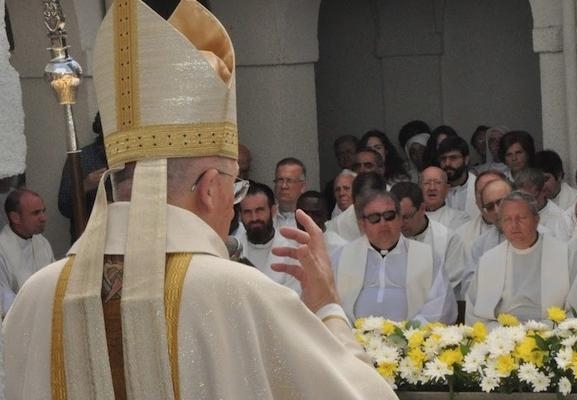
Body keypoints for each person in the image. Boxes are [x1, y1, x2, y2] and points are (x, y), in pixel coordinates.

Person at [3, 1, 397, 398]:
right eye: (235, 185)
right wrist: (328, 306)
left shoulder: (35, 299)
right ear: (210, 187)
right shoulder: (240, 295)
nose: (233, 203)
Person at [330, 189, 457, 324]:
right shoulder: (342, 257)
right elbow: (331, 304)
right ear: (362, 224)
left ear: (400, 219)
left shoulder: (427, 257)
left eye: (389, 215)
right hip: (353, 340)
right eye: (374, 218)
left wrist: (405, 335)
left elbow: (441, 306)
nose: (383, 223)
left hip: (411, 340)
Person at [465, 191, 577, 327]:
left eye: (521, 218)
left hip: (550, 336)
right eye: (507, 219)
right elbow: (474, 314)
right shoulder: (488, 261)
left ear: (536, 220)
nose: (514, 225)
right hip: (501, 339)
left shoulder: (566, 257)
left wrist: (542, 333)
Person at [391, 182, 469, 299]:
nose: (401, 223)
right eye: (396, 217)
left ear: (422, 209)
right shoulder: (388, 238)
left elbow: (450, 285)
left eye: (407, 217)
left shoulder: (448, 239)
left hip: (436, 310)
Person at [237, 181, 300, 293]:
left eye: (259, 210)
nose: (254, 218)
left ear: (273, 211)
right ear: (240, 216)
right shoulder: (231, 251)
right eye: (247, 212)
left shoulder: (291, 250)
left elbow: (294, 298)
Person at [57, 111, 109, 242]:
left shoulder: (131, 157)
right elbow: (64, 207)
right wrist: (85, 186)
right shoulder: (81, 158)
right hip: (89, 237)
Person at [0, 188, 54, 313]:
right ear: (15, 218)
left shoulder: (41, 241)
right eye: (36, 213)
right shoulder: (2, 250)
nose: (43, 218)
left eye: (43, 211)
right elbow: (4, 299)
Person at [326, 172, 388, 242]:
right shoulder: (335, 227)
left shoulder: (392, 217)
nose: (366, 211)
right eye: (361, 206)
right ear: (354, 200)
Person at [455, 170, 505, 252]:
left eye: (493, 189)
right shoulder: (461, 235)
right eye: (482, 192)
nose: (488, 196)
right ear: (476, 200)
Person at [513, 167, 568, 239]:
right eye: (520, 196)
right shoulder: (514, 216)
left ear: (543, 191)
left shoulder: (560, 218)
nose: (523, 202)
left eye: (528, 197)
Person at [438, 136, 479, 217]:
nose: (447, 164)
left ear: (466, 160)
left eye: (453, 158)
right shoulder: (436, 189)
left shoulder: (479, 187)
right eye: (443, 159)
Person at [323, 134, 359, 212]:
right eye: (341, 153)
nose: (345, 156)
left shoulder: (368, 179)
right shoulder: (330, 187)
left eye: (349, 152)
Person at [273, 157, 307, 229]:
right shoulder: (266, 216)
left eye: (289, 181)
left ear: (303, 187)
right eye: (280, 180)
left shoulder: (310, 218)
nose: (284, 186)